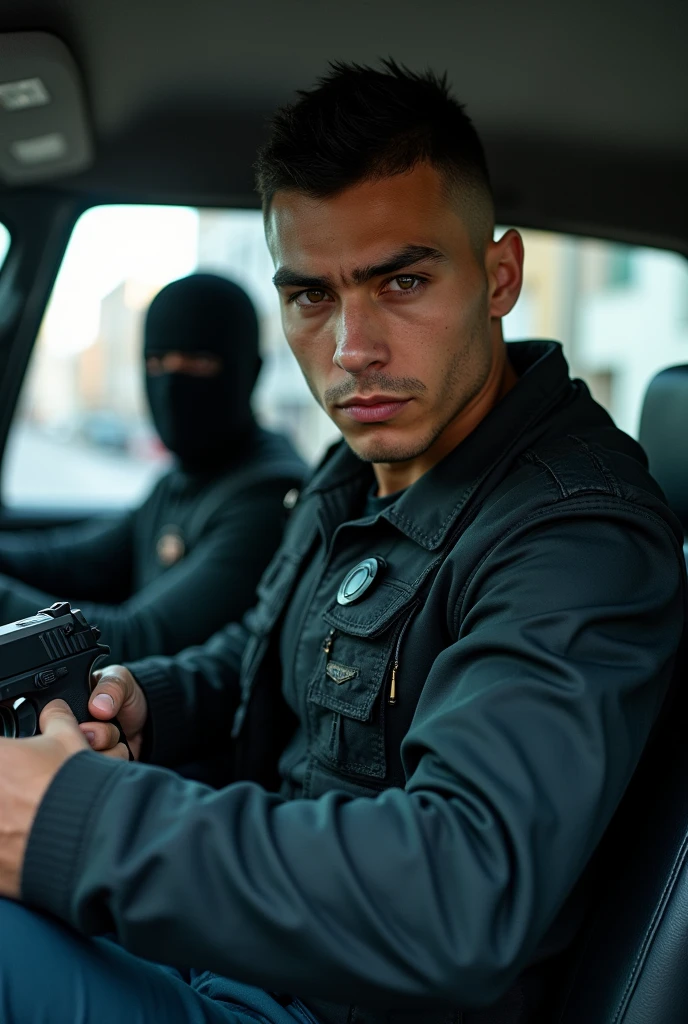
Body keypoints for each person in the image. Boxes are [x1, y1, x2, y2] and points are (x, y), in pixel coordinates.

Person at [0, 60, 684, 1024]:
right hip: (234, 956)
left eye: (402, 280)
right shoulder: (363, 464)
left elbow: (460, 896)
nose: (353, 348)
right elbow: (264, 653)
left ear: (499, 276)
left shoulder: (577, 538)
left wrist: (65, 819)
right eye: (312, 297)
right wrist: (149, 703)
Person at [0, 272, 305, 662]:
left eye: (197, 363)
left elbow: (135, 638)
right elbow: (74, 561)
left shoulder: (269, 496)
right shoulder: (183, 478)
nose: (173, 384)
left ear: (250, 371)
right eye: (157, 362)